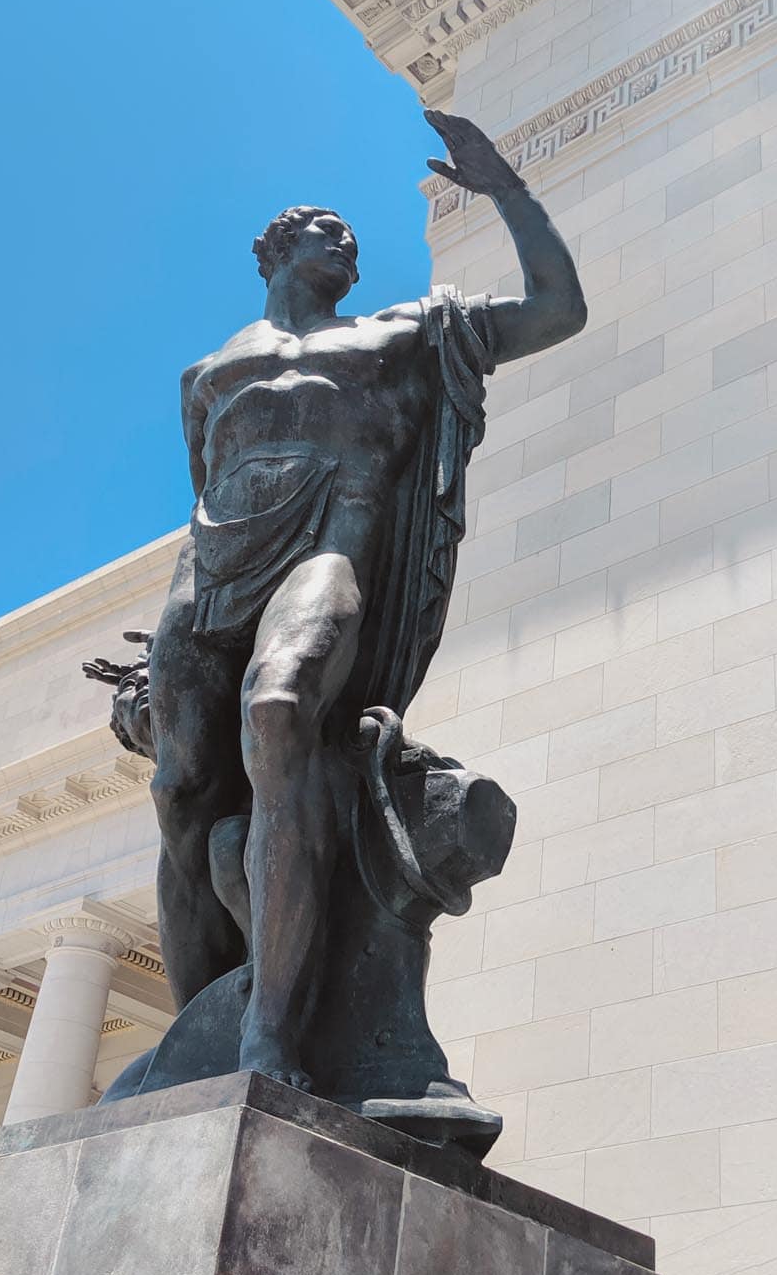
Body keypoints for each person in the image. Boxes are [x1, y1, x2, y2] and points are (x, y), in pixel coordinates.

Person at [145, 110, 586, 1089]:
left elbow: (557, 308)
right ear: (276, 247)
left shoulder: (404, 333)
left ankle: (270, 1034)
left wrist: (506, 191)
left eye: (350, 235)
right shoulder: (205, 375)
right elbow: (205, 495)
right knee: (181, 790)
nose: (346, 242)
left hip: (331, 550)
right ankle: (204, 1032)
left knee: (280, 708)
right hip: (208, 577)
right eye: (324, 229)